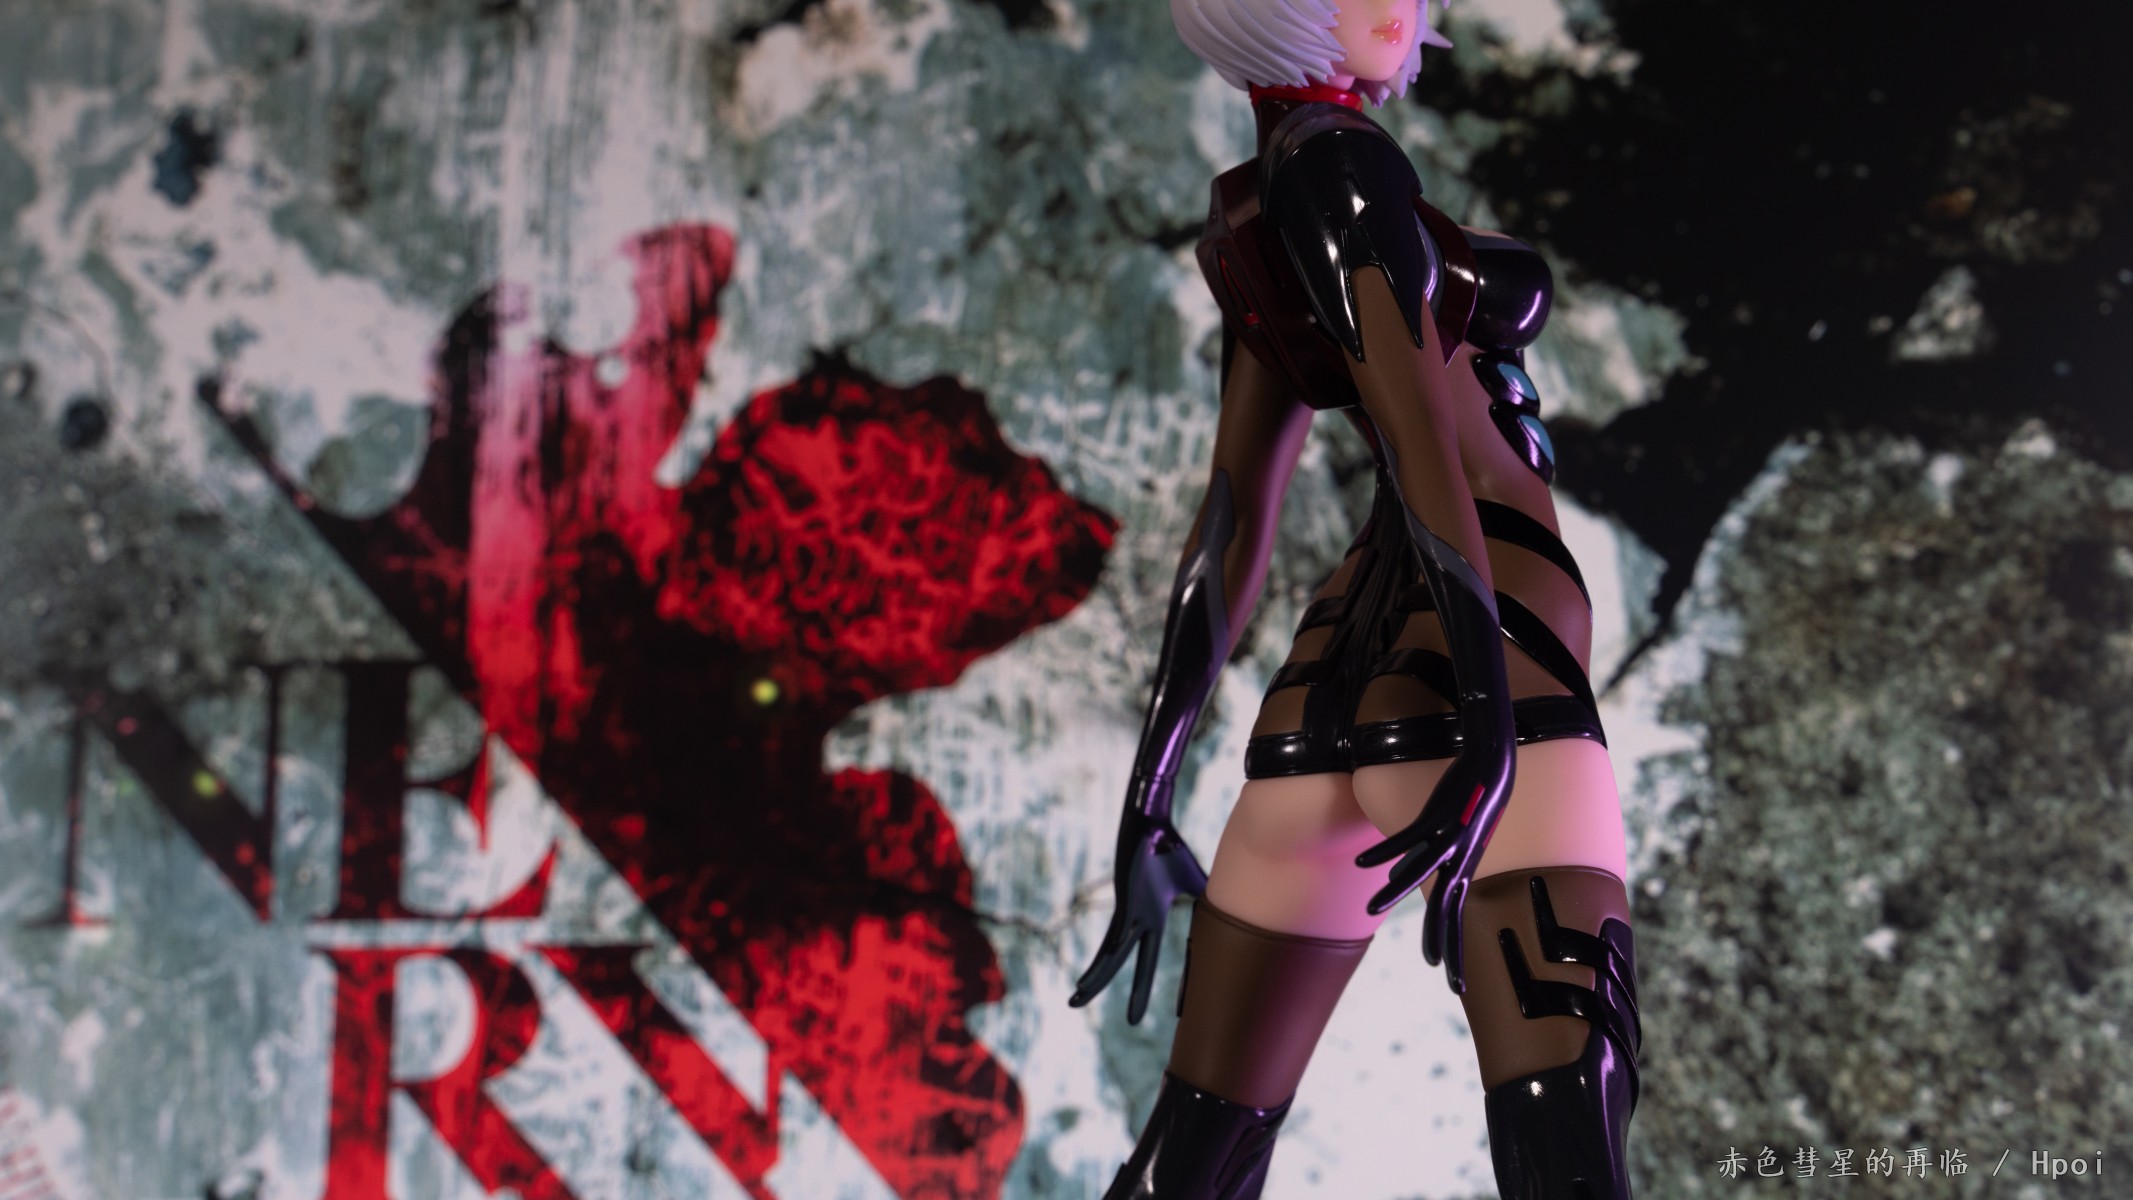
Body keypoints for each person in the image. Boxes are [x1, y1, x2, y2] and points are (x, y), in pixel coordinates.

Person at [1068, 0, 1641, 1195]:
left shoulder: (1252, 210)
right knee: (1566, 1152)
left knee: (1190, 1163)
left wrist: (1150, 797)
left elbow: (1232, 517)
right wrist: (1486, 731)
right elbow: (1423, 440)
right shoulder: (1345, 166)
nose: (1408, 6)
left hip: (1329, 689)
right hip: (1489, 656)